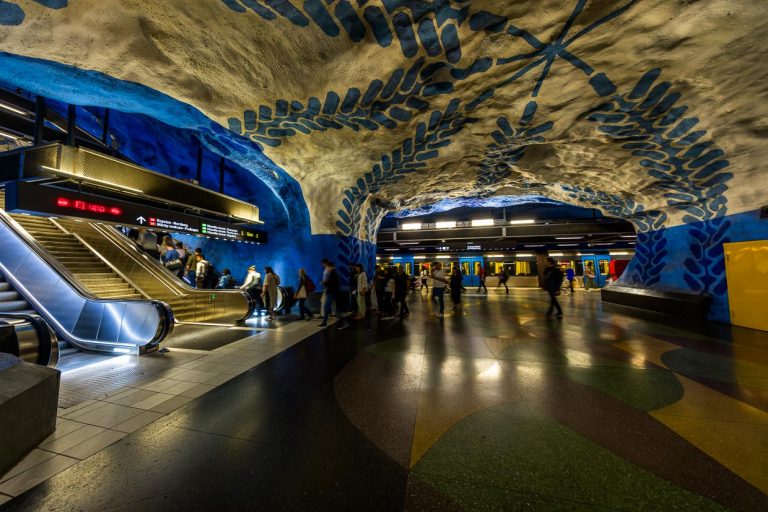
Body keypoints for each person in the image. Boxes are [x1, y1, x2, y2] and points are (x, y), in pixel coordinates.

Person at [320, 259, 348, 330]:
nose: (326, 268)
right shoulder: (333, 273)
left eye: (327, 267)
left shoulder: (333, 273)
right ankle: (324, 323)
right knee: (329, 308)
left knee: (332, 309)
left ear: (330, 267)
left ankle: (344, 323)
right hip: (332, 293)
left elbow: (333, 284)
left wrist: (324, 283)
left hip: (332, 293)